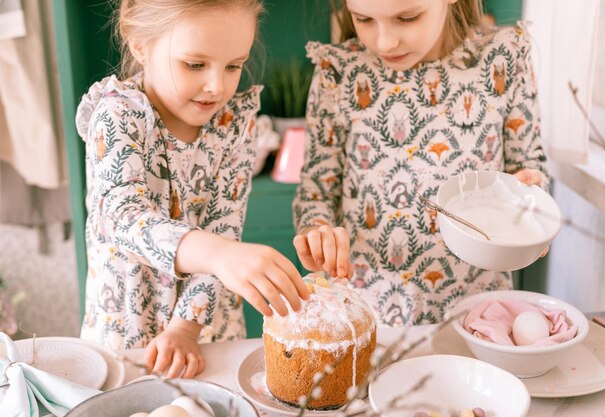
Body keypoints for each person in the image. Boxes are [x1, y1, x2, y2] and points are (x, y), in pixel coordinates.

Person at [75, 0, 309, 379]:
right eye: (195, 64)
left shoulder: (232, 125)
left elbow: (224, 225)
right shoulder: (119, 114)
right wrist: (219, 255)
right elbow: (120, 217)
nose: (217, 86)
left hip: (207, 336)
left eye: (234, 65)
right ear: (139, 42)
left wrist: (186, 328)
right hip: (128, 336)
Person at [293, 0, 547, 326]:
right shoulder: (339, 72)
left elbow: (530, 166)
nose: (384, 41)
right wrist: (317, 232)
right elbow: (317, 189)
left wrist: (533, 201)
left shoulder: (503, 58)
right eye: (364, 19)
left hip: (478, 314)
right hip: (367, 314)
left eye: (407, 17)